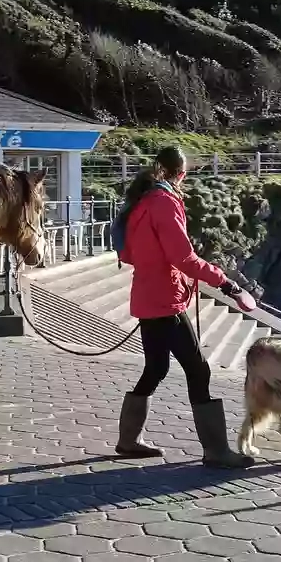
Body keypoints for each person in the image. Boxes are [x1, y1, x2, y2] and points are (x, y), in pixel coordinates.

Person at [114, 146, 255, 468]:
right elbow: (183, 258)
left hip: (148, 296)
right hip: (165, 301)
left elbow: (136, 253)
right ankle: (216, 451)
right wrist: (229, 286)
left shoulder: (142, 202)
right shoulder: (163, 202)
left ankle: (128, 440)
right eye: (184, 174)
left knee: (156, 368)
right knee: (198, 369)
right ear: (179, 173)